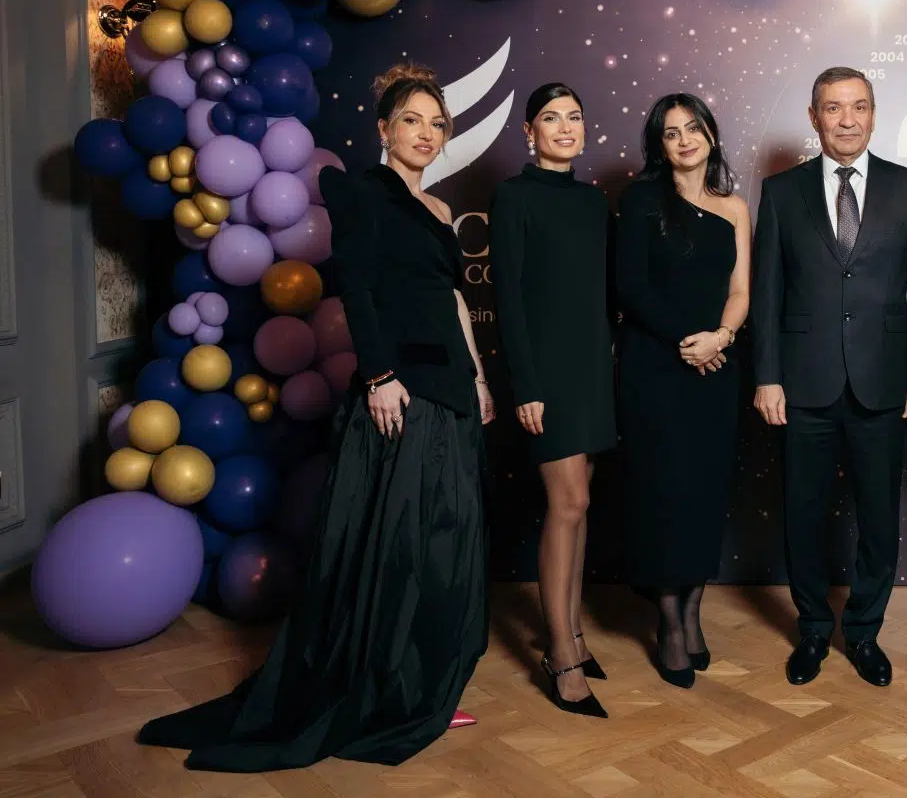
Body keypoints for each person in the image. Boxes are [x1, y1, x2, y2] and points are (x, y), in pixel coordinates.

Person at [137, 64, 495, 771]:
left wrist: (479, 376)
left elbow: (453, 300)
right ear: (384, 129)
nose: (426, 133)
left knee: (442, 545)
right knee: (394, 550)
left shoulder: (440, 210)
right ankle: (382, 691)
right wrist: (380, 376)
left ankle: (422, 684)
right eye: (413, 120)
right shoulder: (357, 190)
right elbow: (356, 285)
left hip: (452, 389)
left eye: (437, 123)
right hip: (401, 390)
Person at [751, 66, 907, 688]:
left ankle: (863, 631)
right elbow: (766, 293)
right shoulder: (781, 192)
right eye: (833, 108)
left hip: (883, 381)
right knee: (802, 514)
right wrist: (767, 376)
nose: (847, 119)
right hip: (802, 382)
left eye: (859, 106)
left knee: (879, 517)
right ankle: (812, 628)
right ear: (814, 118)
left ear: (874, 114)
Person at [488, 83, 617, 718]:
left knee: (580, 504)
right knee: (568, 502)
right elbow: (508, 300)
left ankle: (574, 632)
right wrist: (527, 386)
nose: (565, 127)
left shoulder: (593, 202)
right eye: (550, 118)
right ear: (529, 132)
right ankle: (559, 652)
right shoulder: (513, 196)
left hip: (591, 371)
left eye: (574, 117)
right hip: (546, 375)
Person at [616, 94, 750, 689]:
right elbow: (632, 288)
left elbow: (740, 291)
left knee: (703, 492)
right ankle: (669, 621)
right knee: (662, 492)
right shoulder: (642, 199)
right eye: (671, 133)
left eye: (693, 128)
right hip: (656, 368)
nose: (685, 140)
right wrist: (687, 341)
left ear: (711, 135)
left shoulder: (734, 207)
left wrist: (720, 337)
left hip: (716, 367)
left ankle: (694, 609)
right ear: (659, 145)